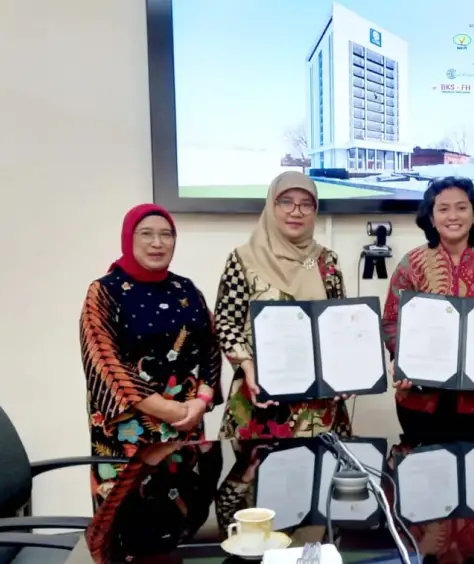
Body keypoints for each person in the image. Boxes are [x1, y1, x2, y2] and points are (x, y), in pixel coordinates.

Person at [80, 203, 223, 510]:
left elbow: (211, 347)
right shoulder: (105, 292)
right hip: (129, 436)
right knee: (129, 526)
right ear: (129, 238)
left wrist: (201, 402)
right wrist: (167, 411)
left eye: (166, 235)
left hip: (186, 425)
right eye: (146, 234)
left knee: (182, 515)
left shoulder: (186, 289)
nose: (157, 243)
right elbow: (104, 361)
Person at [382, 176, 474, 441]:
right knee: (423, 475)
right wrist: (399, 361)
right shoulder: (411, 264)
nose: (453, 216)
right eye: (443, 208)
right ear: (431, 218)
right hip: (420, 400)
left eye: (461, 207)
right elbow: (391, 321)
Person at [215, 171, 351, 440]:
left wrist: (348, 373)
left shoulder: (327, 262)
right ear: (271, 206)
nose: (296, 212)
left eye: (306, 204)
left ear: (315, 210)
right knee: (256, 477)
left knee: (321, 478)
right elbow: (225, 321)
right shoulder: (243, 259)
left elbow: (342, 323)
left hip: (318, 404)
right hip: (261, 397)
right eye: (286, 201)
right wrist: (248, 366)